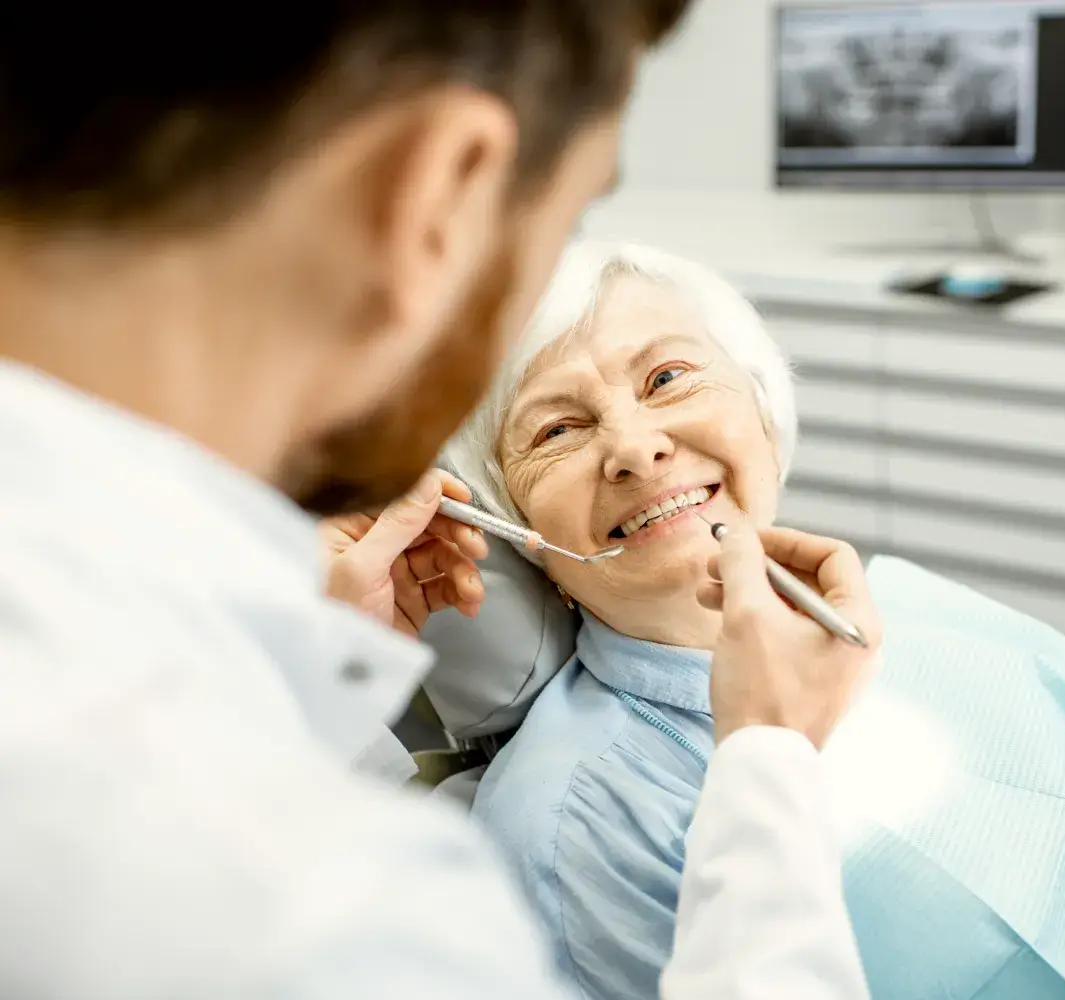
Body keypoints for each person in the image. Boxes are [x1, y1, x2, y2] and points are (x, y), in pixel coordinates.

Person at [0, 7, 879, 999]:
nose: (635, 444)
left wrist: (301, 667)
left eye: (670, 376)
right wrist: (765, 768)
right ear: (441, 191)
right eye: (572, 214)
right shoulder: (332, 913)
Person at [445, 241, 1065, 1000]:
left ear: (763, 409)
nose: (636, 448)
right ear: (518, 529)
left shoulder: (913, 612)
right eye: (557, 431)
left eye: (668, 378)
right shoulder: (572, 824)